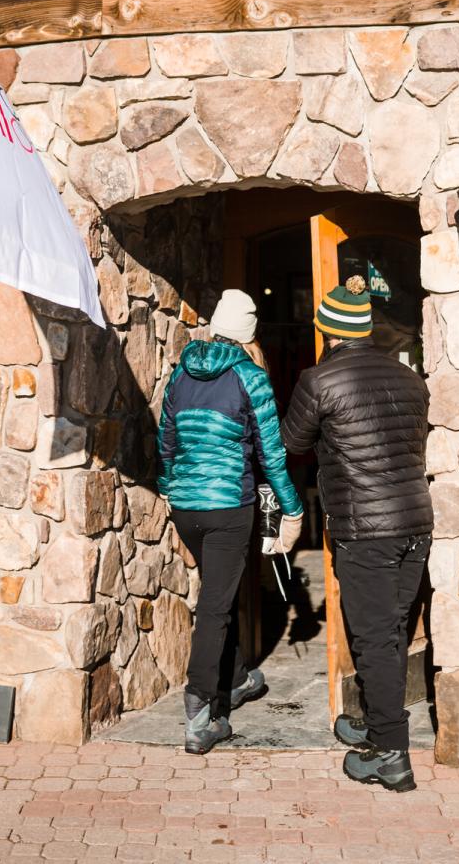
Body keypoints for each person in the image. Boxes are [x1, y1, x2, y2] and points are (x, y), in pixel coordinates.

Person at [281, 274, 432, 791]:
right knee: (390, 632)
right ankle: (374, 721)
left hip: (365, 529)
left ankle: (391, 754)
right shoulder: (410, 379)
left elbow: (292, 441)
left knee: (371, 638)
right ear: (366, 329)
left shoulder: (318, 381)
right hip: (415, 523)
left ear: (326, 329)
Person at [158, 288, 303, 755]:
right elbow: (272, 453)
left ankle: (237, 677)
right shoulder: (250, 377)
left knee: (221, 590)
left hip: (186, 507)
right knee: (216, 606)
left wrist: (167, 486)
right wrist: (293, 509)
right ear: (248, 333)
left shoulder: (181, 372)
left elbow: (166, 439)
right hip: (226, 507)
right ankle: (201, 714)